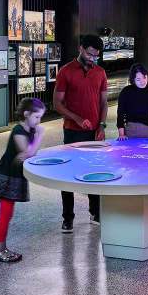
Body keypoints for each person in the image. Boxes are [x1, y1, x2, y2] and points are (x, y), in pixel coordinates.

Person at [53, 35, 108, 233]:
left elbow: (104, 103)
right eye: (89, 54)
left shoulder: (100, 73)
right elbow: (57, 104)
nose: (92, 58)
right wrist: (76, 118)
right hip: (72, 132)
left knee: (94, 173)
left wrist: (101, 126)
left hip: (94, 132)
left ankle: (96, 212)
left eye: (96, 56)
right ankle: (67, 217)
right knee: (68, 174)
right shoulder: (66, 72)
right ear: (81, 49)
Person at [0, 98, 45, 263]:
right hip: (7, 177)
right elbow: (28, 152)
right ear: (26, 114)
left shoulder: (30, 130)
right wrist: (40, 136)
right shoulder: (18, 131)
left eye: (40, 117)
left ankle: (2, 248)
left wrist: (29, 149)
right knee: (5, 214)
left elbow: (27, 154)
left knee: (8, 214)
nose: (39, 121)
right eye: (36, 117)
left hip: (15, 176)